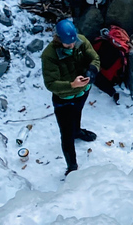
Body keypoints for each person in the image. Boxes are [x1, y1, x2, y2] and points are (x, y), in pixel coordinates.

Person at [41, 18, 100, 176]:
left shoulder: (80, 41)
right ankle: (72, 166)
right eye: (68, 44)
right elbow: (51, 84)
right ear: (59, 40)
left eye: (73, 42)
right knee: (66, 134)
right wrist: (71, 85)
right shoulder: (49, 55)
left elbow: (94, 58)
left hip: (82, 91)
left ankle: (77, 131)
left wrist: (91, 72)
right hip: (64, 99)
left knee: (78, 112)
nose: (72, 46)